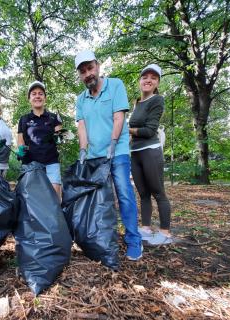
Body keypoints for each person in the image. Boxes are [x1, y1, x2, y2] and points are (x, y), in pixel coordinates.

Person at [74, 49, 143, 261]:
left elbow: (118, 117)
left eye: (90, 68)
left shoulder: (115, 85)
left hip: (117, 151)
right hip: (95, 156)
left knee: (123, 192)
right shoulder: (81, 99)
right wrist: (83, 150)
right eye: (83, 71)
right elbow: (82, 127)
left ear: (98, 65)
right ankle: (103, 238)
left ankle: (134, 240)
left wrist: (113, 144)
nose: (88, 74)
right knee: (101, 199)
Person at [129, 64, 172, 245]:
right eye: (145, 77)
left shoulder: (157, 100)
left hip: (150, 151)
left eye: (153, 78)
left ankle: (165, 232)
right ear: (140, 80)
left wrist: (128, 129)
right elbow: (136, 130)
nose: (148, 80)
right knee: (143, 193)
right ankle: (146, 228)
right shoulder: (137, 102)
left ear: (157, 83)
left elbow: (149, 130)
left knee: (158, 193)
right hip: (135, 153)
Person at [17, 81, 63, 198]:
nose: (37, 96)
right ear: (29, 98)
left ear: (45, 98)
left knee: (54, 196)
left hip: (51, 162)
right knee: (34, 199)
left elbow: (60, 139)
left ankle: (56, 217)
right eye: (34, 94)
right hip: (31, 164)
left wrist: (62, 136)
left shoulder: (54, 117)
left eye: (40, 93)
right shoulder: (24, 119)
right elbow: (20, 141)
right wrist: (20, 150)